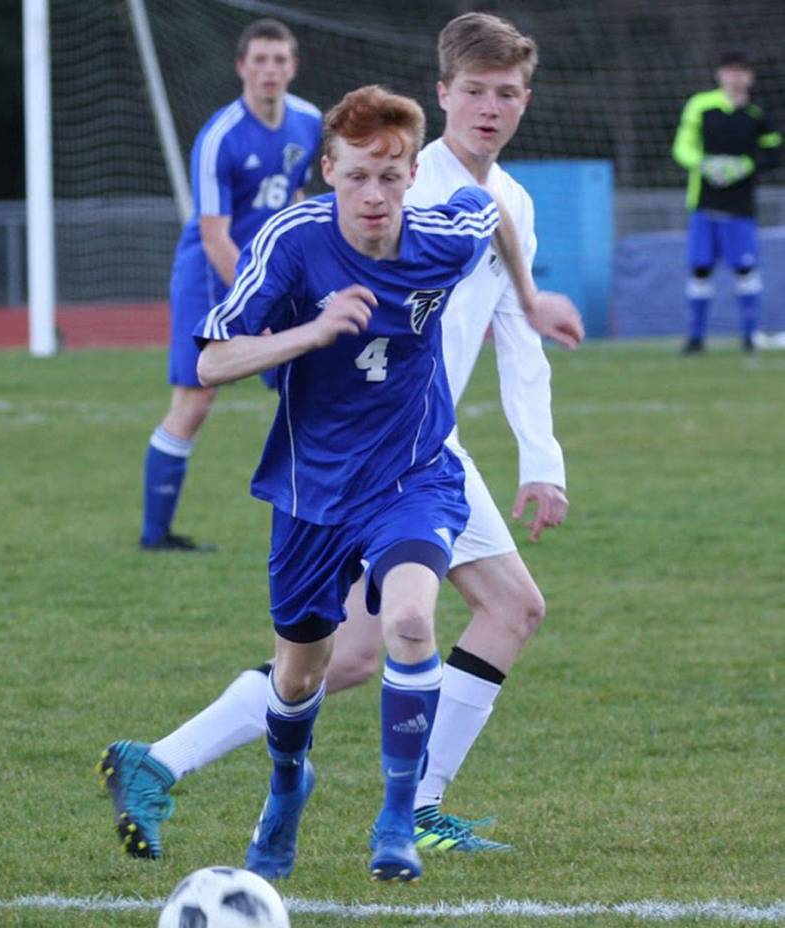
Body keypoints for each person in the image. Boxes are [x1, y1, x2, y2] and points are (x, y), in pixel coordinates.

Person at [99, 14, 582, 868]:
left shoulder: (503, 201)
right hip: (349, 458)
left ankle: (413, 808)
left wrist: (541, 454)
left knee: (479, 615)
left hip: (420, 453)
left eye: (506, 93)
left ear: (524, 100)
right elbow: (239, 337)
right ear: (442, 94)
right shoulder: (402, 182)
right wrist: (304, 334)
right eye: (473, 91)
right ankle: (172, 761)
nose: (490, 108)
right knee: (342, 656)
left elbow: (514, 325)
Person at [140, 18, 321, 550]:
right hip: (211, 278)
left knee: (307, 386)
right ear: (242, 67)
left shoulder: (309, 122)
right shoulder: (219, 136)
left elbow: (295, 199)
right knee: (195, 403)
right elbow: (215, 236)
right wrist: (259, 308)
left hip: (271, 279)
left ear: (293, 67)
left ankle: (317, 520)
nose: (270, 70)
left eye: (280, 60)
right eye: (260, 60)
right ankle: (156, 536)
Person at [672, 50, 782, 354]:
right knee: (700, 269)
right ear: (720, 74)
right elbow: (682, 146)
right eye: (730, 71)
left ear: (750, 76)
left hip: (740, 207)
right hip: (704, 204)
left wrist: (747, 164)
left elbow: (774, 152)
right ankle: (695, 339)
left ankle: (750, 337)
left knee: (745, 270)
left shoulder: (758, 114)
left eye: (741, 71)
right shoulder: (701, 105)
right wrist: (703, 163)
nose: (735, 77)